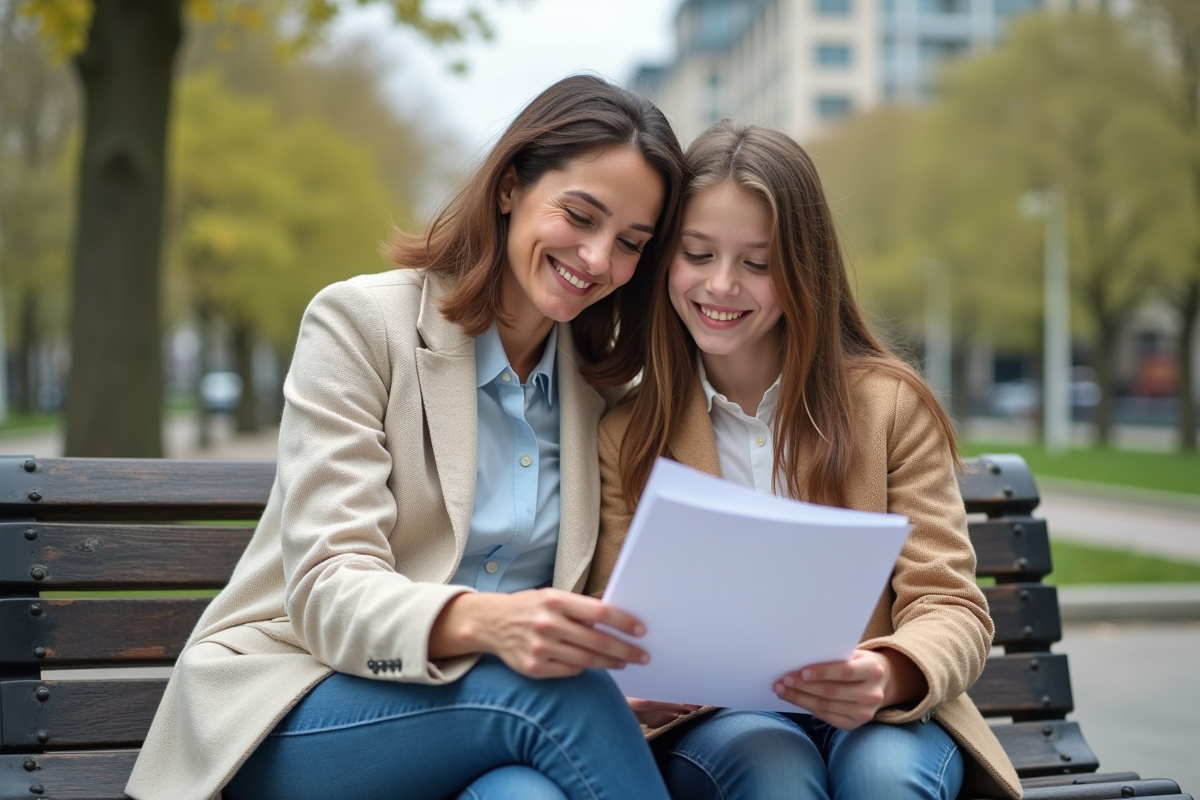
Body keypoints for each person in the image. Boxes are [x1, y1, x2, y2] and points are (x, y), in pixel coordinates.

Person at [125, 75, 685, 800]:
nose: (598, 259)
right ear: (510, 186)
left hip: (485, 722)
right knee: (561, 696)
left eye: (631, 243)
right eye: (581, 216)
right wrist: (493, 625)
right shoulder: (362, 325)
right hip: (297, 702)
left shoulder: (601, 392)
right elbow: (328, 590)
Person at [584, 121, 1023, 800]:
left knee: (886, 776)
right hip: (718, 723)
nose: (722, 285)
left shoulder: (889, 407)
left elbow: (950, 606)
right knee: (773, 766)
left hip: (878, 716)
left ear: (803, 269)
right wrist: (637, 685)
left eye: (757, 264)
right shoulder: (628, 434)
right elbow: (623, 625)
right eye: (697, 254)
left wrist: (887, 673)